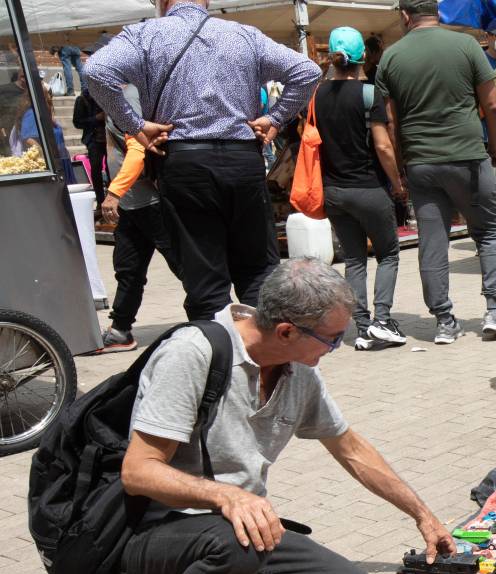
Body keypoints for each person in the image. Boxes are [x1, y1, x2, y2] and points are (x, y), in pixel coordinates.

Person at [118, 258, 456, 574]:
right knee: (240, 536)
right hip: (152, 535)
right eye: (331, 339)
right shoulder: (192, 354)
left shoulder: (296, 369)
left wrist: (422, 514)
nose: (336, 348)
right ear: (285, 331)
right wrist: (226, 496)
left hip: (239, 531)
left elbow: (350, 448)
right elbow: (138, 472)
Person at [85, 0, 321, 321]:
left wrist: (135, 125)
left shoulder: (145, 35)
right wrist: (276, 118)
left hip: (185, 163)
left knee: (205, 278)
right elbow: (307, 71)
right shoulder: (244, 35)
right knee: (257, 271)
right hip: (242, 160)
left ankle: (219, 348)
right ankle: (266, 347)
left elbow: (96, 71)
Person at [375, 0, 496, 344]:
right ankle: (494, 311)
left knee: (432, 243)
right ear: (437, 12)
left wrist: (402, 164)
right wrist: (495, 147)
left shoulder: (390, 57)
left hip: (421, 162)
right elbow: (492, 105)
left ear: (405, 15)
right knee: (489, 232)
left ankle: (444, 321)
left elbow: (390, 123)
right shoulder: (466, 45)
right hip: (468, 156)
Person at [314, 27, 408, 352]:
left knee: (354, 260)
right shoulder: (369, 94)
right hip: (369, 188)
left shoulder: (317, 95)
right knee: (388, 254)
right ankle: (382, 321)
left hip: (334, 191)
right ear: (363, 56)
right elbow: (383, 146)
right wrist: (397, 183)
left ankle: (364, 328)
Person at [96, 85, 179, 353]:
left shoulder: (128, 94)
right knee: (128, 268)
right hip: (131, 205)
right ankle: (120, 330)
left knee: (184, 264)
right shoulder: (115, 95)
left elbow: (137, 150)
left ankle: (215, 315)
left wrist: (114, 193)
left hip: (149, 203)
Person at [72, 86, 108, 202]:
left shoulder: (107, 95)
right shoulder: (82, 99)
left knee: (111, 168)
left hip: (109, 139)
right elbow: (77, 122)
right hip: (94, 140)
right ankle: (100, 200)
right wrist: (96, 118)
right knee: (96, 169)